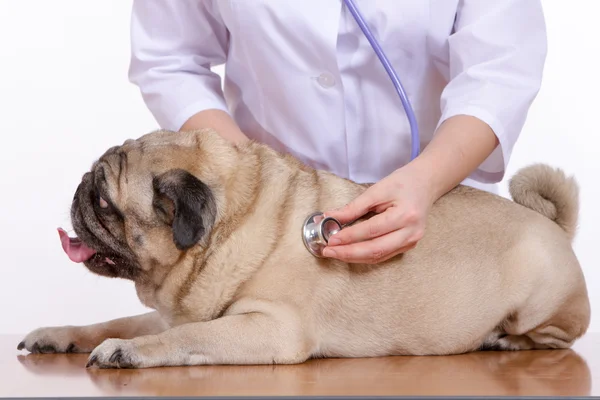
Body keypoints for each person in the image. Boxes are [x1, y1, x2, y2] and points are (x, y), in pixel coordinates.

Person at [128, 1, 547, 265]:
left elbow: (499, 70)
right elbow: (170, 60)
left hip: (442, 219)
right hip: (268, 233)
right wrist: (258, 181)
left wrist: (426, 181)